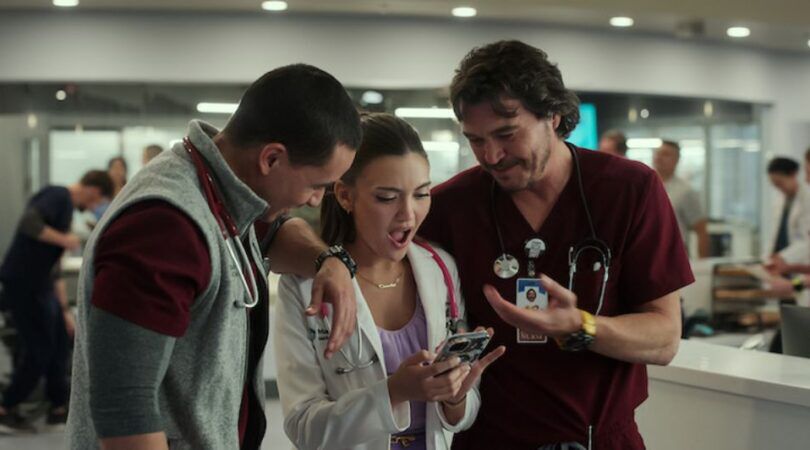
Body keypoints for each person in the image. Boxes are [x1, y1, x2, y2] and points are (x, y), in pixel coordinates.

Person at [66, 64, 364, 450]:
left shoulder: (223, 193)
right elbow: (124, 407)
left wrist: (330, 261)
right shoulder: (165, 226)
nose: (314, 200)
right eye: (317, 186)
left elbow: (273, 233)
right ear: (271, 158)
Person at [418, 40, 692, 449]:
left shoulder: (628, 191)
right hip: (490, 439)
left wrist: (580, 326)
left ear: (554, 115)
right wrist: (329, 262)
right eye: (475, 140)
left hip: (598, 438)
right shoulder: (450, 206)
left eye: (506, 134)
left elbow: (665, 338)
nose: (491, 156)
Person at [275, 113, 504, 450]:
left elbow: (461, 417)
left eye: (421, 194)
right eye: (387, 197)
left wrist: (455, 397)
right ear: (345, 196)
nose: (408, 214)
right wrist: (395, 392)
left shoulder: (440, 269)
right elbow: (304, 429)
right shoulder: (304, 287)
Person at [0, 170, 113, 433]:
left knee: (61, 340)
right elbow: (29, 223)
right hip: (23, 285)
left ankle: (58, 406)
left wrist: (64, 310)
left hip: (41, 286)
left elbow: (53, 269)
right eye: (96, 202)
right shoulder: (58, 195)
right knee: (39, 348)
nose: (93, 207)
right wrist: (65, 240)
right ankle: (7, 406)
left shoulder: (65, 212)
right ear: (93, 191)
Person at [653, 140, 710, 258]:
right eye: (658, 153)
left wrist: (702, 266)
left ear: (676, 160)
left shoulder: (685, 191)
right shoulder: (644, 186)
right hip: (646, 253)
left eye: (666, 154)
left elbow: (701, 231)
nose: (659, 157)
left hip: (673, 255)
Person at [763, 157, 810, 274]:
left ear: (793, 174)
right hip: (787, 268)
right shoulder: (779, 201)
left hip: (796, 265)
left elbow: (806, 241)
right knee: (790, 287)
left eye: (779, 183)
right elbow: (774, 235)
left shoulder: (806, 200)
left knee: (795, 287)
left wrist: (783, 258)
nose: (806, 179)